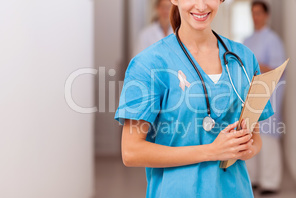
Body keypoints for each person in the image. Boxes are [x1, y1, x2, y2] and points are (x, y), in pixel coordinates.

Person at [114, 0, 275, 197]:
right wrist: (213, 151)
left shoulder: (243, 58)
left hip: (235, 190)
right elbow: (131, 152)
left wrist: (247, 148)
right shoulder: (149, 63)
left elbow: (255, 138)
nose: (200, 6)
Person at [243, 1, 286, 195]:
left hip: (269, 92)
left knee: (268, 135)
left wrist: (257, 65)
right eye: (252, 13)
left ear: (266, 15)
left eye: (259, 13)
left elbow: (278, 68)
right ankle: (253, 178)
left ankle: (270, 181)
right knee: (251, 134)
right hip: (251, 92)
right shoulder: (248, 39)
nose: (255, 16)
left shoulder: (273, 39)